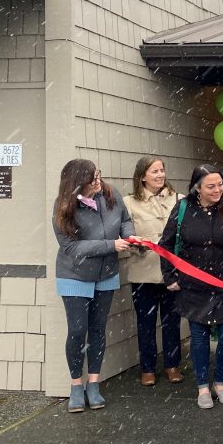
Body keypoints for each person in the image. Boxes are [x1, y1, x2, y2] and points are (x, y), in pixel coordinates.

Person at [160, 165, 223, 410]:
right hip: (193, 285)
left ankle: (221, 382)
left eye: (220, 184)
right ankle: (202, 387)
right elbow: (165, 244)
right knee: (199, 338)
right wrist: (169, 276)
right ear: (197, 188)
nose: (218, 189)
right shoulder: (183, 208)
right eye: (211, 186)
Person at [52, 159, 134, 413]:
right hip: (74, 275)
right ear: (77, 184)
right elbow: (71, 247)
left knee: (98, 328)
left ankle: (94, 383)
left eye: (98, 175)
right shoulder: (63, 206)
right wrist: (111, 245)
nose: (98, 182)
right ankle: (76, 385)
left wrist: (129, 235)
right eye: (92, 179)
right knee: (78, 330)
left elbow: (125, 219)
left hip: (106, 273)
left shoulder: (110, 194)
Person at [121, 156, 184, 386]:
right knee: (145, 324)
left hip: (171, 274)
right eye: (154, 171)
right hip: (143, 272)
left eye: (162, 171)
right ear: (142, 176)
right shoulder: (129, 203)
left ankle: (172, 365)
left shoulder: (179, 199)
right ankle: (147, 368)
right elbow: (124, 231)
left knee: (171, 321)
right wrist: (134, 241)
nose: (159, 175)